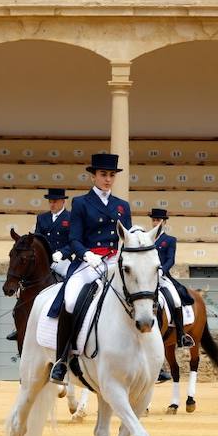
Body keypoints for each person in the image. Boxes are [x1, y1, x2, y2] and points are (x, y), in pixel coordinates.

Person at [47, 153, 132, 385]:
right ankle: (62, 359)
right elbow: (74, 238)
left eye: (111, 175)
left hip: (115, 261)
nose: (107, 179)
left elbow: (128, 240)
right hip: (89, 260)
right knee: (71, 299)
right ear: (93, 176)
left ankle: (152, 357)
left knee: (143, 294)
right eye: (103, 174)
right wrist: (87, 255)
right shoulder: (81, 203)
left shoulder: (122, 206)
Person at [5, 188, 74, 341]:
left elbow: (73, 242)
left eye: (55, 201)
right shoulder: (42, 218)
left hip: (62, 259)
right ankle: (20, 324)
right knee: (24, 286)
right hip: (45, 260)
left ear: (63, 201)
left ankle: (68, 320)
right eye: (50, 201)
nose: (52, 204)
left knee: (70, 283)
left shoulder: (70, 218)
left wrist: (61, 254)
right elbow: (36, 240)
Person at [148, 208, 194, 381]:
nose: (156, 222)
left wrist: (161, 271)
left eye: (159, 220)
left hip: (163, 275)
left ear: (164, 222)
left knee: (175, 299)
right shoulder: (146, 238)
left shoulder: (170, 240)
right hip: (146, 277)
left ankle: (181, 335)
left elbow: (171, 259)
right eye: (154, 219)